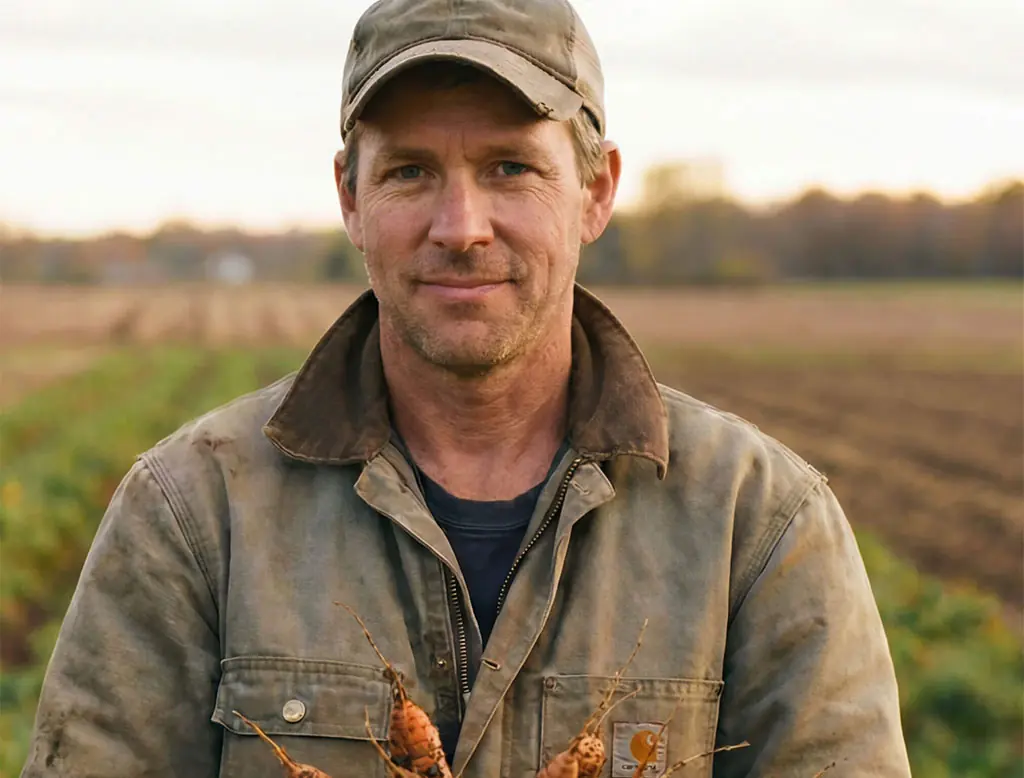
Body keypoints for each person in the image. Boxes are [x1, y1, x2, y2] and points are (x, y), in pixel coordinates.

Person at [20, 0, 912, 775]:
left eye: (509, 168)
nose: (461, 228)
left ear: (595, 191)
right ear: (349, 197)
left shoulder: (755, 524)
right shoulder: (191, 512)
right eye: (410, 171)